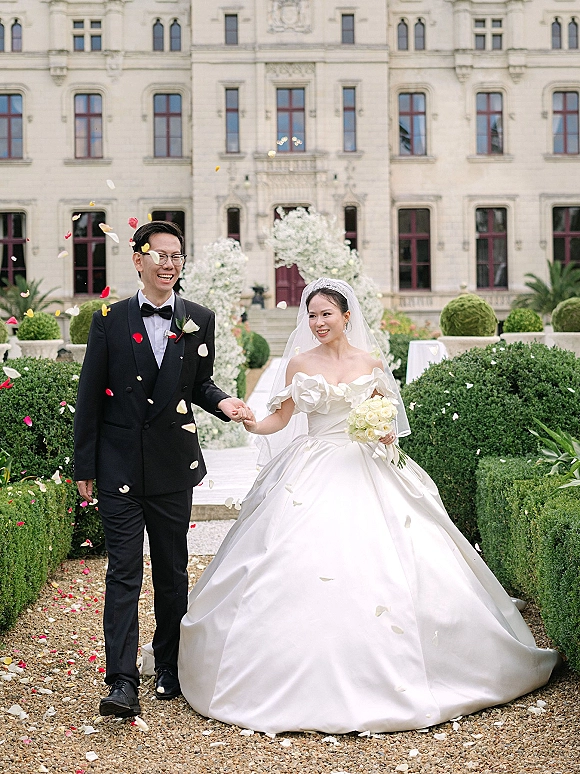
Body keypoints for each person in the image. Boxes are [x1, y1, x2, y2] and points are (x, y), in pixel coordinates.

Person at [177, 277, 559, 734]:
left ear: (346, 317)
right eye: (312, 315)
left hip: (368, 466)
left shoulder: (371, 362)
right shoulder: (298, 364)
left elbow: (388, 421)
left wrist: (382, 433)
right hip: (312, 467)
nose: (318, 322)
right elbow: (279, 421)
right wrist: (246, 419)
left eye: (326, 314)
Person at [74, 221, 251, 718]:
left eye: (177, 255)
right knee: (124, 573)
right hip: (119, 467)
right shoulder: (109, 318)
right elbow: (90, 394)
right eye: (160, 254)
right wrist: (83, 464)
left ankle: (170, 666)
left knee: (172, 573)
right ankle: (122, 681)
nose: (170, 263)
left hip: (174, 466)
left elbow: (199, 384)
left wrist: (225, 404)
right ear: (138, 259)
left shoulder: (200, 317)